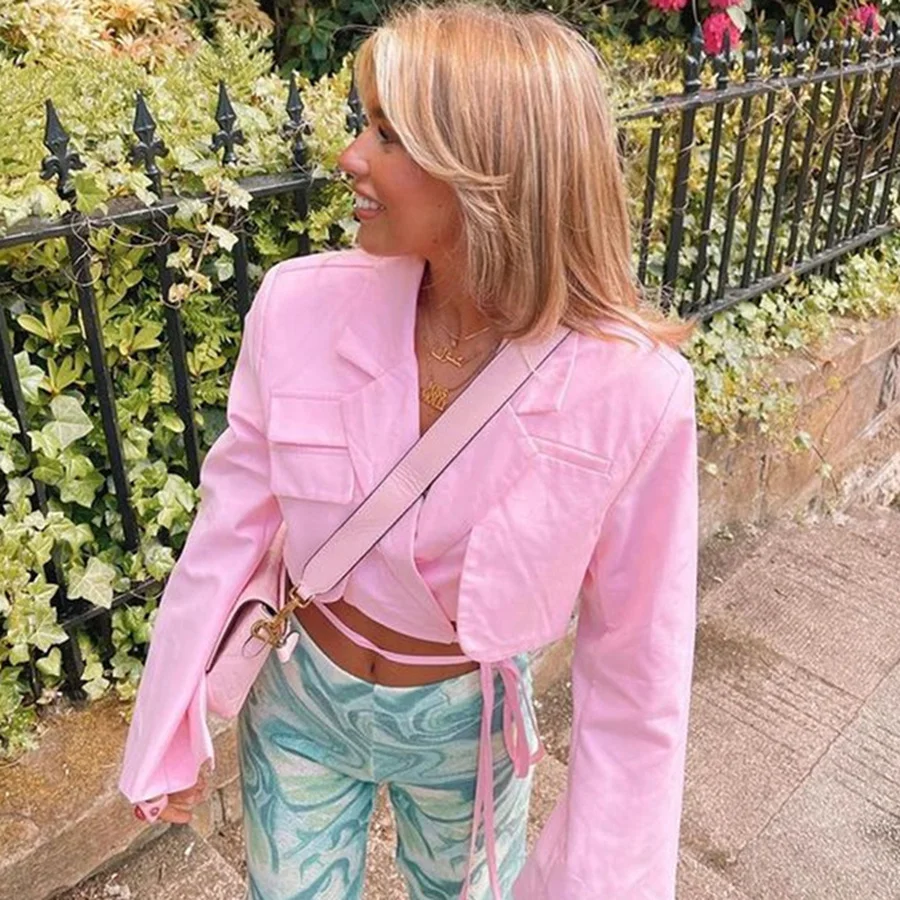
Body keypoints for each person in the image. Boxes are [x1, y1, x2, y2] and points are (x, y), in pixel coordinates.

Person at [118, 2, 699, 898]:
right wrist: (166, 726)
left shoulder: (631, 392)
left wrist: (605, 882)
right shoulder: (298, 308)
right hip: (301, 702)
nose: (349, 156)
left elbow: (638, 676)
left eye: (387, 134)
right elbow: (229, 528)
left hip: (468, 732)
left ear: (488, 168)